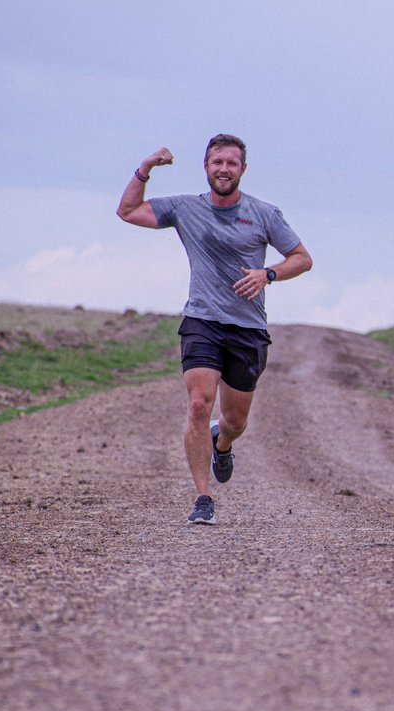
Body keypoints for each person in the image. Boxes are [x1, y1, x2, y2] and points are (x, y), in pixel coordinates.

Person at [117, 134, 312, 525]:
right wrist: (146, 167)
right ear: (206, 167)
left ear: (242, 169)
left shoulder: (264, 214)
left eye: (231, 163)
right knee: (197, 404)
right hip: (202, 321)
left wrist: (267, 274)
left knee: (235, 420)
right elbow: (127, 211)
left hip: (247, 329)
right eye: (217, 162)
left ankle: (222, 443)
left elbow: (302, 259)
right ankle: (203, 498)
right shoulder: (186, 208)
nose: (224, 169)